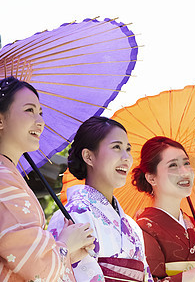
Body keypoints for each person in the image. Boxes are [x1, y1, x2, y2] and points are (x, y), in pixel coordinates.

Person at [0, 76, 95, 281]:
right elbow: (34, 265)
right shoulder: (3, 178)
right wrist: (65, 243)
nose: (40, 121)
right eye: (29, 110)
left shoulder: (10, 174)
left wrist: (68, 248)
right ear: (0, 119)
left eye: (40, 112)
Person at [48, 116, 152, 282]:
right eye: (116, 147)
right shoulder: (73, 216)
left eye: (128, 149)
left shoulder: (132, 227)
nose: (126, 157)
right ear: (89, 157)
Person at [132, 136, 195, 282]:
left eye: (187, 163)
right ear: (151, 178)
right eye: (173, 165)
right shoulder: (143, 228)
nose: (185, 172)